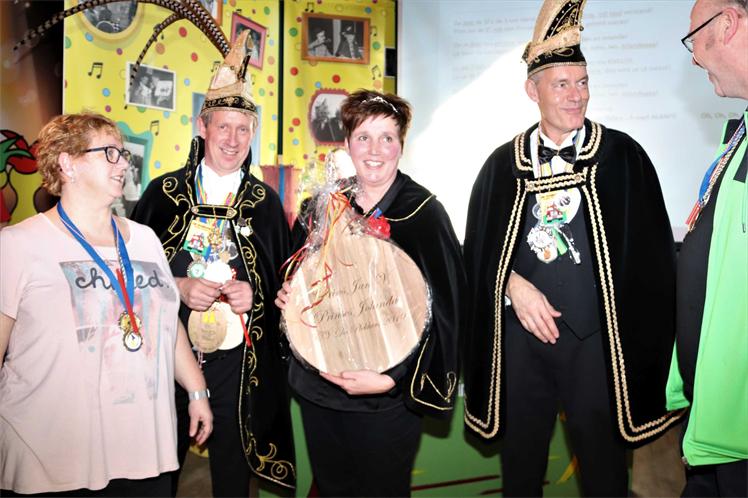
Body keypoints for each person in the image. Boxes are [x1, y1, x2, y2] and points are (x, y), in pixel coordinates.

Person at [462, 1, 683, 496]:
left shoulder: (623, 155)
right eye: (561, 84)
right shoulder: (500, 166)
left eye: (582, 82)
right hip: (520, 348)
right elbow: (476, 255)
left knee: (605, 478)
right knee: (520, 477)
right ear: (532, 90)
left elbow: (651, 260)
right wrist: (511, 285)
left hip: (598, 351)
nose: (576, 95)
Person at [0, 112, 212, 496]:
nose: (123, 163)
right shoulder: (19, 244)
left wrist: (197, 391)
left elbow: (166, 321)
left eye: (123, 153)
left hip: (142, 447)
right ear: (67, 163)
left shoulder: (145, 240)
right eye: (109, 153)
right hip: (51, 453)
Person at [276, 90, 466, 497]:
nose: (375, 150)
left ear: (401, 146)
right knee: (330, 489)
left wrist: (391, 379)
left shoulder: (424, 215)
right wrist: (289, 298)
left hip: (385, 400)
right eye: (363, 137)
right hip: (321, 390)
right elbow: (296, 280)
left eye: (387, 138)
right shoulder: (320, 206)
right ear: (347, 144)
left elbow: (448, 314)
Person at [130, 31, 296, 495]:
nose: (233, 139)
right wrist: (179, 287)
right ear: (202, 126)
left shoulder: (265, 203)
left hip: (236, 364)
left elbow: (282, 284)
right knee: (157, 469)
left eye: (243, 129)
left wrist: (254, 295)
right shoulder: (163, 194)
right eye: (223, 127)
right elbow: (129, 276)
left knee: (233, 474)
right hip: (168, 353)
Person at [665, 0, 748, 496]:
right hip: (716, 417)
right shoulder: (739, 133)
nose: (694, 57)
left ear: (729, 24)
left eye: (694, 38)